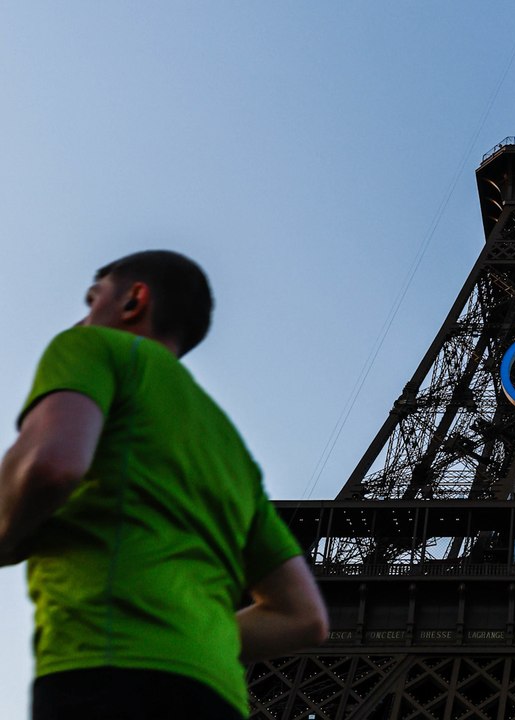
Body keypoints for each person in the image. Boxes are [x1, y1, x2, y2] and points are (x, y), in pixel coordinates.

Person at [0, 250, 328, 719]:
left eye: (92, 301)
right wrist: (194, 637)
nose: (83, 318)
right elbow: (304, 618)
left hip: (105, 670)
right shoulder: (230, 445)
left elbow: (52, 465)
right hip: (217, 694)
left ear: (134, 299)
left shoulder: (91, 347)